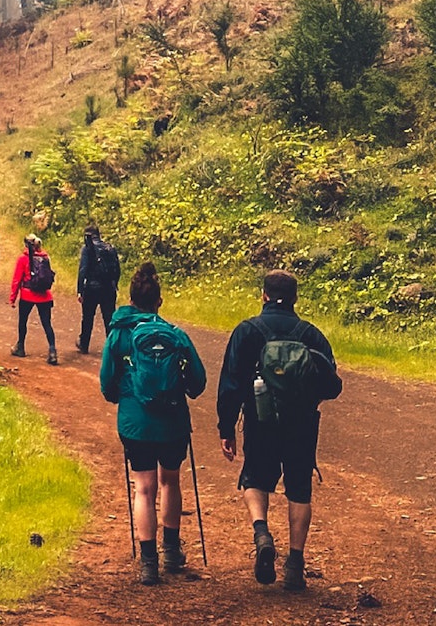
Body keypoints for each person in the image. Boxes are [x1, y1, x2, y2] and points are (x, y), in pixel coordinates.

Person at [217, 270, 342, 591]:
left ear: (263, 295)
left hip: (260, 421)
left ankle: (261, 533)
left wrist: (227, 427)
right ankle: (295, 566)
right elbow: (333, 386)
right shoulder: (311, 335)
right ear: (296, 298)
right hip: (302, 424)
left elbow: (230, 384)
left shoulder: (247, 332)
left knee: (255, 479)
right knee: (299, 488)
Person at [100, 262, 207, 585]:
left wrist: (126, 394)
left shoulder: (119, 334)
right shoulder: (175, 335)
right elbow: (198, 383)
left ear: (130, 300)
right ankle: (172, 551)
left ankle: (149, 563)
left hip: (136, 424)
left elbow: (107, 384)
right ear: (159, 302)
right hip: (173, 422)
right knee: (170, 482)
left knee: (143, 488)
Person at [10, 233, 58, 363]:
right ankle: (52, 351)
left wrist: (13, 298)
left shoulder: (23, 259)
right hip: (45, 296)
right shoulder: (46, 257)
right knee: (47, 324)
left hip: (27, 295)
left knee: (23, 321)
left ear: (26, 244)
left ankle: (20, 347)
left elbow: (17, 280)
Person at [77, 224, 122, 354]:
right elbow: (117, 270)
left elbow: (83, 270)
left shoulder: (87, 249)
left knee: (88, 317)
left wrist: (80, 290)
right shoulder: (110, 248)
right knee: (109, 318)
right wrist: (115, 284)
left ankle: (84, 345)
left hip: (92, 288)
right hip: (109, 288)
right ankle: (112, 347)